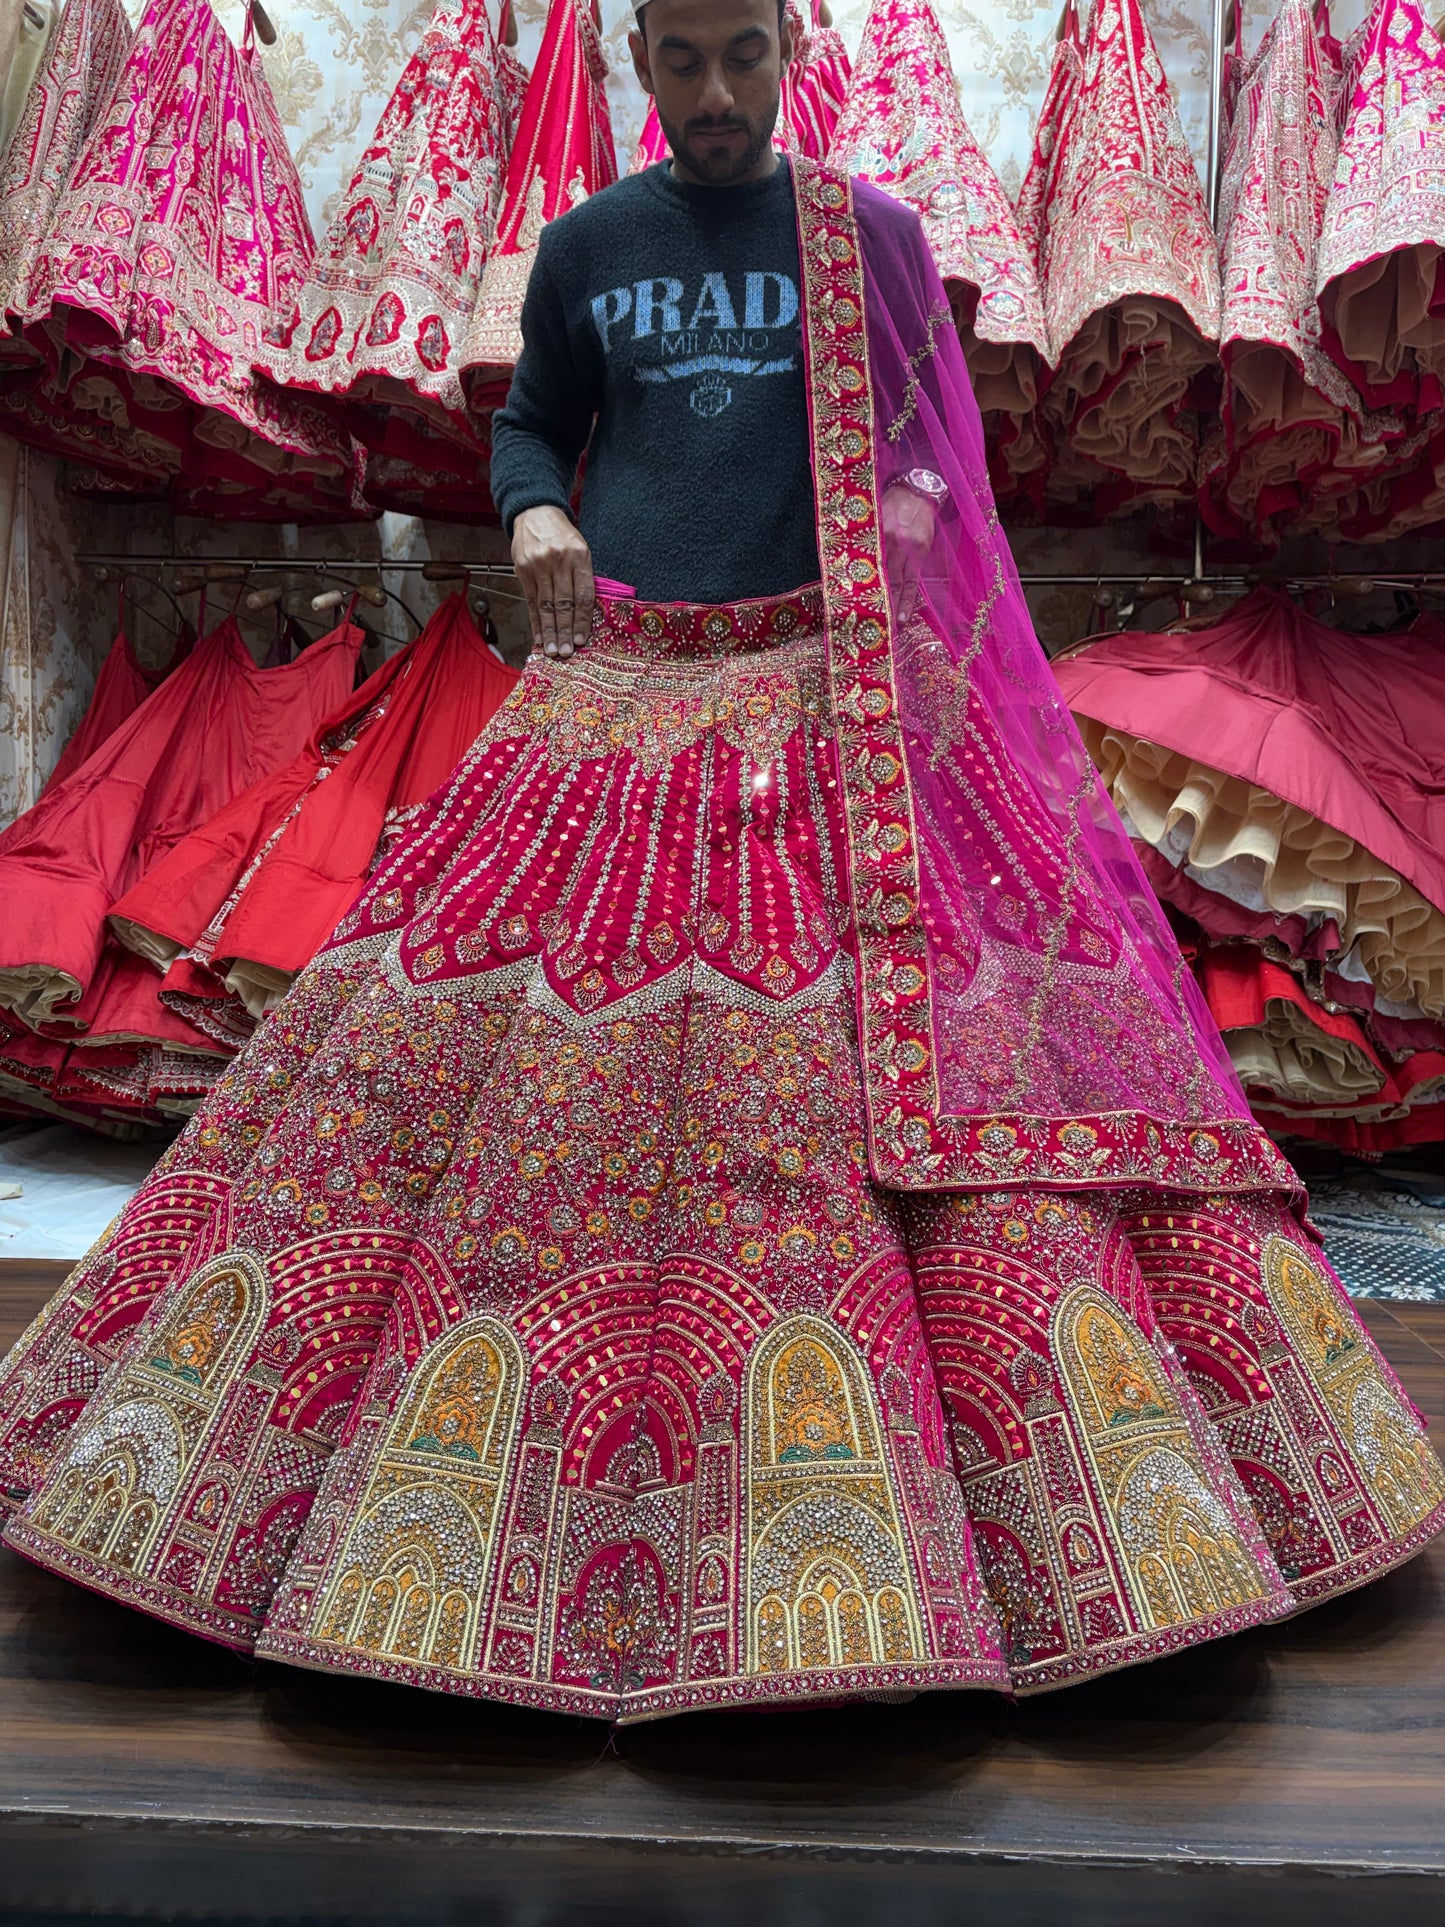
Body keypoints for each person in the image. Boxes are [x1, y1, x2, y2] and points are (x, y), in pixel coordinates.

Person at [0, 0, 1439, 1725]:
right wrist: (531, 512)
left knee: (838, 1100)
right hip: (616, 692)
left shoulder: (875, 241)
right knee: (443, 1065)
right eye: (676, 60)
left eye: (741, 53)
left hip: (826, 707)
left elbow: (938, 474)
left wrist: (904, 616)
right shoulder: (590, 244)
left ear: (788, 45)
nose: (713, 96)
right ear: (630, 59)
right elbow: (533, 425)